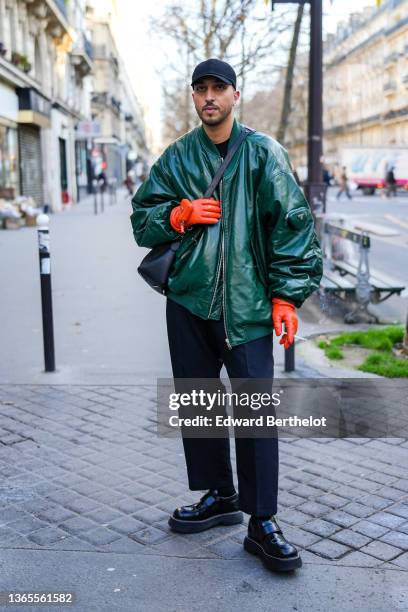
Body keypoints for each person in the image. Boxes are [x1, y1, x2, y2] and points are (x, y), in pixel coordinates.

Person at [130, 58, 323, 573]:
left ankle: (262, 522)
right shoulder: (176, 158)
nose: (209, 96)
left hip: (249, 307)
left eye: (219, 88)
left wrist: (286, 298)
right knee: (198, 401)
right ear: (193, 98)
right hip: (189, 301)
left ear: (236, 95)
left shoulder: (263, 154)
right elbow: (141, 220)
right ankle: (220, 495)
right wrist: (178, 213)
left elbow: (293, 225)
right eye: (201, 89)